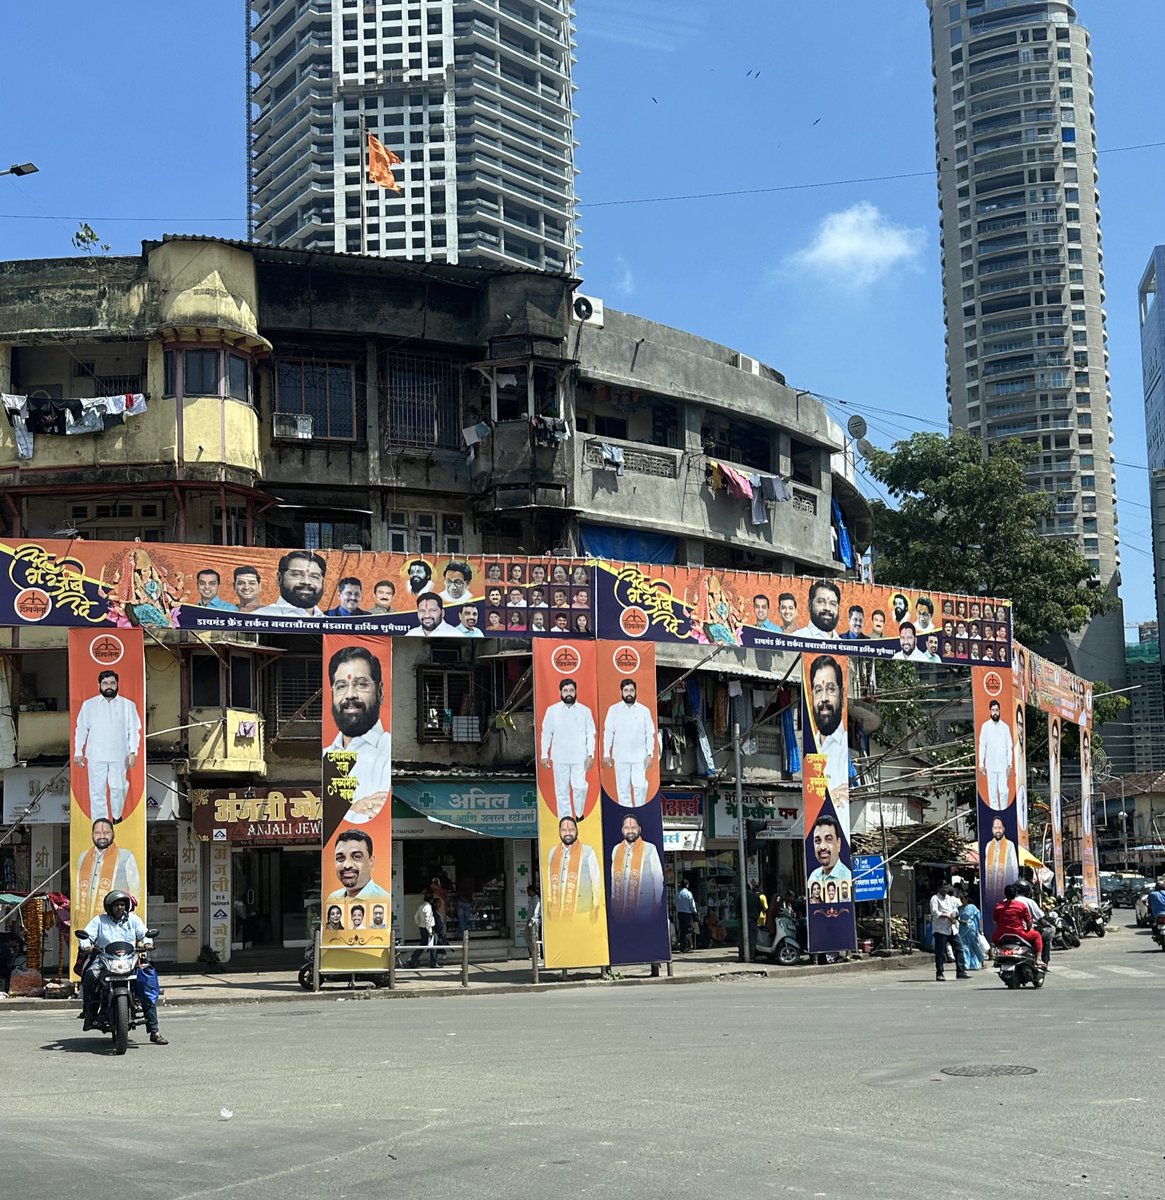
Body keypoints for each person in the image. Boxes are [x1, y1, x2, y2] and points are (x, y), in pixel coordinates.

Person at [79, 890, 167, 1043]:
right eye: (116, 905)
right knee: (90, 975)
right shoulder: (99, 921)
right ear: (109, 907)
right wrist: (86, 946)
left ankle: (154, 1031)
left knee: (146, 984)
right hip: (104, 959)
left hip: (130, 959)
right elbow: (87, 935)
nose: (120, 907)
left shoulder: (133, 920)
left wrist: (147, 943)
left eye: (122, 905)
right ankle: (90, 1013)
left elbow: (145, 933)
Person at [324, 645, 391, 820]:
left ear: (380, 692)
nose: (350, 695)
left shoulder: (390, 751)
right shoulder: (326, 756)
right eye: (341, 686)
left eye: (361, 684)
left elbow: (376, 814)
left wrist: (344, 808)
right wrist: (354, 807)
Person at [74, 669, 142, 823]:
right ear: (99, 685)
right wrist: (78, 751)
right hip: (96, 755)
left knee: (118, 788)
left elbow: (134, 729)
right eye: (105, 683)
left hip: (120, 755)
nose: (109, 686)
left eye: (112, 682)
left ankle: (117, 817)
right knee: (97, 792)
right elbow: (81, 729)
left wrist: (133, 751)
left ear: (117, 684)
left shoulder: (128, 705)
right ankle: (100, 824)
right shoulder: (89, 705)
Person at [540, 677, 597, 820]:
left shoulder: (585, 711)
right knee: (562, 792)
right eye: (565, 690)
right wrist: (544, 754)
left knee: (580, 787)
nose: (569, 693)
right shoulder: (552, 711)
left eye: (571, 690)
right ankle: (565, 820)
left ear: (576, 691)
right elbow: (546, 733)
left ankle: (579, 814)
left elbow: (590, 734)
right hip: (560, 757)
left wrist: (591, 754)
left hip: (580, 757)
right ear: (560, 692)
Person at [74, 818, 142, 929]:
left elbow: (136, 890)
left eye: (106, 832)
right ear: (92, 834)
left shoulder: (126, 856)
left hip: (116, 921)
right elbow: (78, 887)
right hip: (87, 920)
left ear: (113, 834)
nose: (102, 836)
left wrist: (127, 915)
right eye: (97, 832)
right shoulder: (83, 856)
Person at [602, 678, 656, 806]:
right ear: (621, 692)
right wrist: (606, 753)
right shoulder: (613, 710)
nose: (629, 693)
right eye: (626, 690)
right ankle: (627, 814)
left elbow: (650, 734)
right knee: (623, 790)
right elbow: (608, 732)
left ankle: (640, 810)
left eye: (631, 690)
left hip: (639, 757)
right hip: (621, 756)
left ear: (635, 691)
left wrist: (650, 754)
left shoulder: (644, 711)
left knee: (640, 786)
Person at [808, 655, 849, 810]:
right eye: (818, 690)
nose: (824, 699)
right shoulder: (811, 749)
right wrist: (830, 796)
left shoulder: (845, 747)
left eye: (831, 689)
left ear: (842, 695)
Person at [609, 815, 664, 920]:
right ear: (622, 830)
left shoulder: (650, 848)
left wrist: (657, 903)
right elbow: (613, 877)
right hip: (620, 909)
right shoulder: (616, 849)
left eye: (633, 828)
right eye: (627, 828)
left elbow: (658, 877)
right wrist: (613, 899)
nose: (630, 831)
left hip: (643, 910)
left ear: (639, 829)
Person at [546, 816, 603, 919]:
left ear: (577, 831)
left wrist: (595, 907)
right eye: (564, 830)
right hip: (558, 913)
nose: (568, 833)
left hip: (582, 912)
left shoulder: (588, 852)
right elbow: (549, 880)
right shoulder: (552, 852)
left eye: (571, 830)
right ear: (559, 832)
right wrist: (549, 901)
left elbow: (596, 881)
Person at [253, 551, 326, 617]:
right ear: (279, 578)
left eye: (314, 576)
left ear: (322, 583)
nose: (306, 582)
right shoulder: (257, 619)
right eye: (296, 574)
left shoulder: (331, 624)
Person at [327, 829, 389, 900]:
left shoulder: (384, 899)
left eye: (356, 857)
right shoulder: (332, 899)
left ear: (371, 862)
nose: (347, 865)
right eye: (340, 857)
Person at [978, 698, 1014, 810]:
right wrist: (981, 763)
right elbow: (982, 745)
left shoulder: (1005, 727)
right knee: (992, 793)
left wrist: (1009, 764)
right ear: (990, 711)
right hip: (991, 765)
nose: (995, 712)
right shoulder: (985, 727)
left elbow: (1010, 747)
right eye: (993, 710)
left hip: (1003, 765)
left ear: (1000, 711)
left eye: (997, 710)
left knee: (1003, 791)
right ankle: (995, 813)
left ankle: (1004, 811)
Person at [992, 883, 1043, 961]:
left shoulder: (999, 906)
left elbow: (995, 922)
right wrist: (1028, 930)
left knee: (994, 940)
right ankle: (1039, 958)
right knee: (1037, 935)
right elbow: (1029, 922)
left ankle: (995, 957)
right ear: (1015, 894)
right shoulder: (1021, 906)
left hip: (1001, 935)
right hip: (1019, 934)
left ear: (1005, 894)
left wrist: (1001, 928)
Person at [930, 881, 969, 981]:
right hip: (941, 929)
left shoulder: (950, 899)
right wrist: (947, 916)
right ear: (939, 888)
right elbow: (935, 912)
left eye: (946, 887)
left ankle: (961, 971)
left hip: (952, 928)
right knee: (940, 952)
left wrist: (954, 915)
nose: (945, 889)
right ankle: (939, 973)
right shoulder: (935, 898)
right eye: (943, 887)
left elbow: (956, 909)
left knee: (959, 948)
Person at [807, 814, 851, 887]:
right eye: (817, 840)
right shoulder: (813, 877)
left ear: (838, 843)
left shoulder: (847, 878)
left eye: (828, 839)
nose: (822, 846)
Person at [1013, 882, 1051, 966]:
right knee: (1045, 936)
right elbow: (1034, 920)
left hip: (1005, 933)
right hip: (1022, 932)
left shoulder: (1004, 902)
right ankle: (1040, 960)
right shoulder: (1028, 902)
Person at [983, 817, 1019, 897]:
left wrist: (1014, 888)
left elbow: (1014, 867)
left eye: (1000, 828)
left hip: (1006, 890)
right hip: (991, 890)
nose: (998, 831)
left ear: (1004, 829)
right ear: (992, 829)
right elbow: (986, 869)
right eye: (995, 828)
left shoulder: (1010, 845)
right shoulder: (988, 846)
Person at [409, 890, 439, 968]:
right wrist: (430, 931)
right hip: (428, 929)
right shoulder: (428, 907)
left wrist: (419, 924)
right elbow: (428, 920)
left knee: (423, 944)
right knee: (433, 944)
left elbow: (416, 917)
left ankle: (413, 958)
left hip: (422, 928)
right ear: (431, 899)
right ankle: (433, 962)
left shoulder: (421, 906)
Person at [958, 891, 984, 970]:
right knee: (964, 946)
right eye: (961, 898)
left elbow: (979, 917)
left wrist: (980, 928)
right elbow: (957, 918)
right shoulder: (959, 908)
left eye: (962, 898)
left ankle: (981, 960)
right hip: (962, 929)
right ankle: (966, 964)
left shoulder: (972, 907)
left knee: (975, 945)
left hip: (971, 928)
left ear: (966, 899)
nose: (961, 900)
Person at [675, 877, 697, 952]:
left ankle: (682, 947)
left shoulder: (677, 894)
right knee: (688, 930)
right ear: (687, 885)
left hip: (680, 914)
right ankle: (687, 947)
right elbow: (692, 904)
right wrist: (695, 912)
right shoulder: (688, 893)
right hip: (687, 914)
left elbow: (675, 904)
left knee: (682, 930)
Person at [524, 883, 542, 959]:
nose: (527, 893)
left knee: (535, 937)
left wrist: (531, 922)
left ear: (531, 891)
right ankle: (533, 953)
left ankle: (537, 955)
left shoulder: (537, 900)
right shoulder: (532, 900)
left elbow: (536, 912)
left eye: (528, 891)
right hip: (530, 921)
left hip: (534, 921)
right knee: (527, 936)